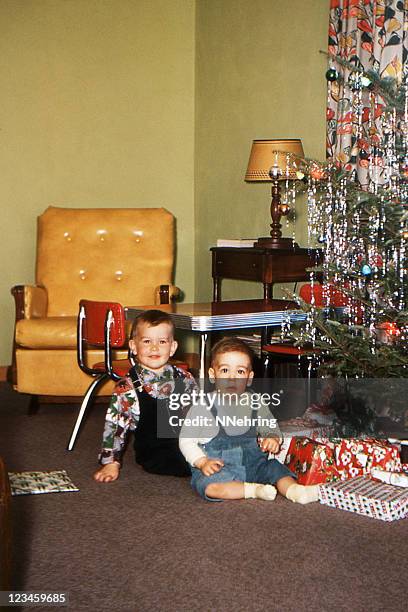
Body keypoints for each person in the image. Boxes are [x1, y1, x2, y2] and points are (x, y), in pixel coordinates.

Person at [179, 337, 319, 504]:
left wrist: (272, 437)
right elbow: (186, 440)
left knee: (275, 468)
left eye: (240, 372)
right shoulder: (203, 407)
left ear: (250, 377)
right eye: (225, 370)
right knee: (211, 487)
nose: (232, 378)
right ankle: (253, 490)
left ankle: (295, 491)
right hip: (219, 469)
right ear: (212, 375)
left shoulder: (256, 402)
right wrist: (201, 462)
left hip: (255, 466)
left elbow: (270, 425)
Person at [94, 309, 196, 482]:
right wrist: (111, 461)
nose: (154, 348)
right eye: (147, 341)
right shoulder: (127, 387)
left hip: (188, 443)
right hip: (155, 452)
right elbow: (116, 425)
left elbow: (199, 413)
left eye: (162, 341)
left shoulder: (184, 378)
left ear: (172, 348)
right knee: (192, 466)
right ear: (134, 346)